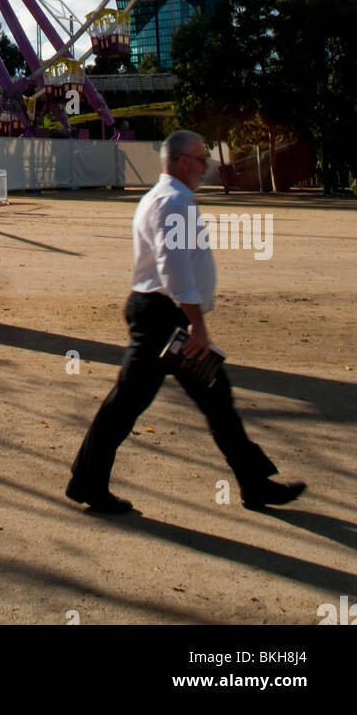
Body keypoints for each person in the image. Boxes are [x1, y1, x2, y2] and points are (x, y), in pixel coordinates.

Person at [66, 129, 306, 515]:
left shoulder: (161, 198)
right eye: (201, 157)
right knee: (131, 404)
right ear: (181, 162)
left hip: (161, 313)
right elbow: (173, 268)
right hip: (165, 318)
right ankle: (88, 481)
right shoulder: (173, 202)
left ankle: (255, 483)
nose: (207, 164)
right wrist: (196, 323)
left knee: (209, 401)